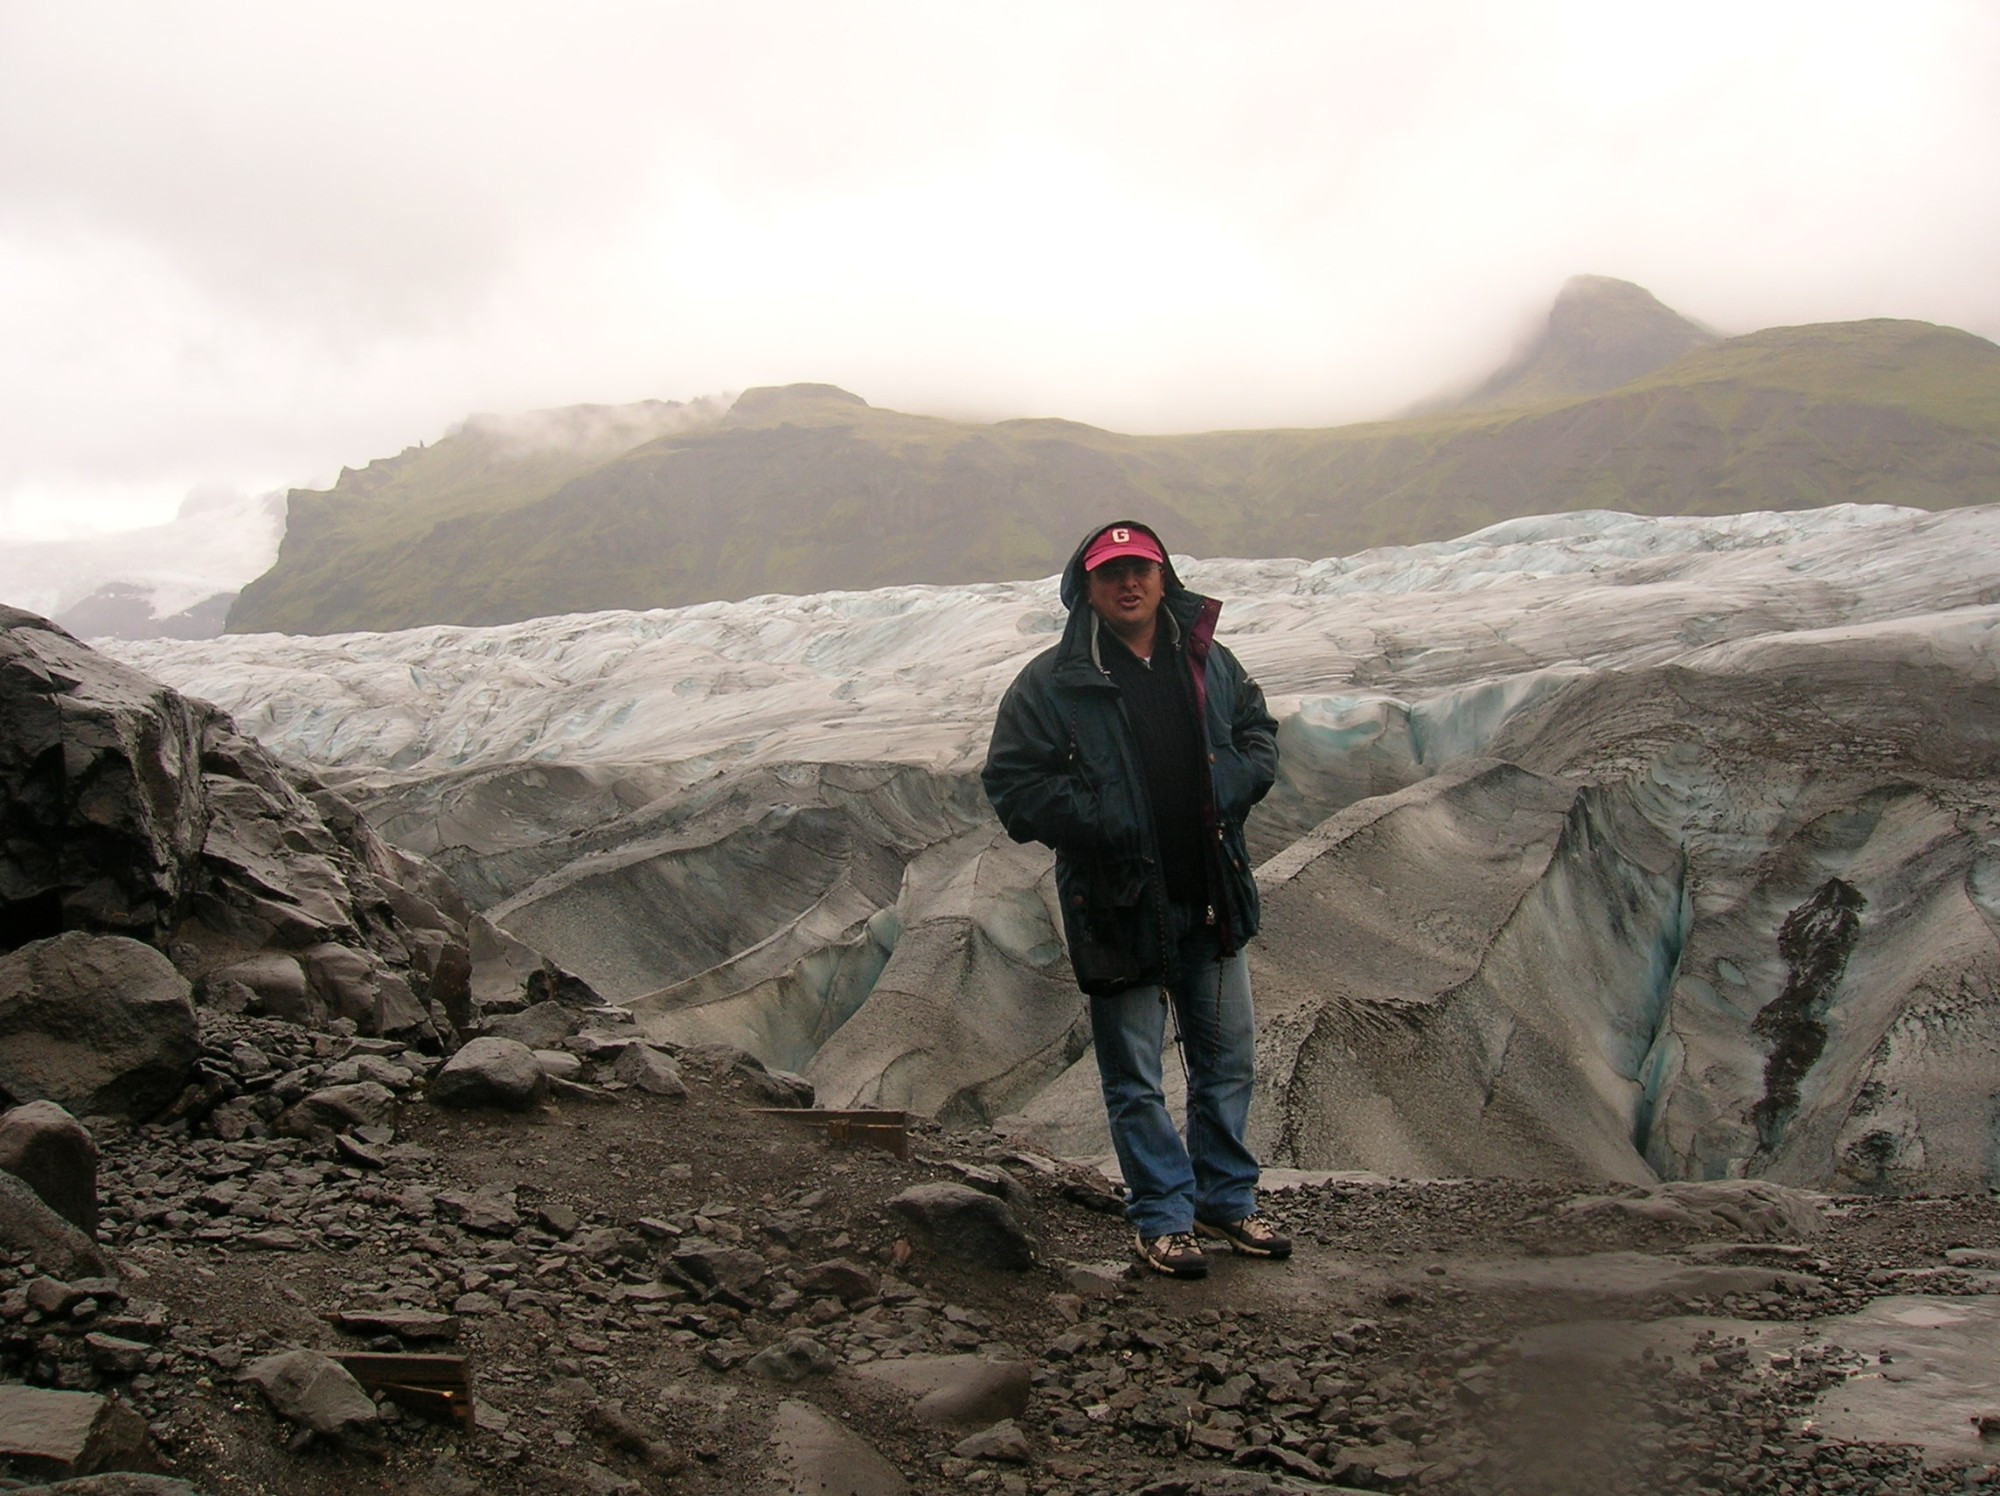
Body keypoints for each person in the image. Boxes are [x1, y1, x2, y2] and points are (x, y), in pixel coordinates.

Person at [983, 520, 1289, 1278]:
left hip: (1211, 894)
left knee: (1227, 1064)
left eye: (1141, 569)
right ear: (1085, 586)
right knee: (1136, 1078)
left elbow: (1257, 734)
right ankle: (1162, 1216)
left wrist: (1229, 786)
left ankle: (1226, 1201)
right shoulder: (1052, 681)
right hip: (1119, 905)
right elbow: (1013, 784)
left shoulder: (1208, 662)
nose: (1129, 583)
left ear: (1164, 578)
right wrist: (1107, 822)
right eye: (1111, 571)